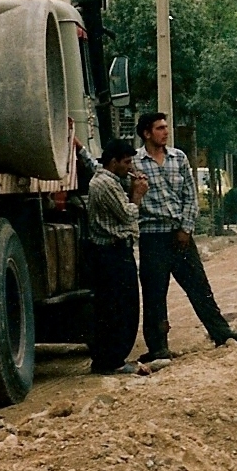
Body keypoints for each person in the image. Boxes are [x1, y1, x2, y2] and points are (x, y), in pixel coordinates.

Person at [133, 111, 237, 361]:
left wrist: (186, 228)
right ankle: (158, 347)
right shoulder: (135, 163)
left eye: (166, 127)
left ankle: (221, 333)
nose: (165, 131)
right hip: (152, 236)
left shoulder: (179, 158)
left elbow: (190, 196)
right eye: (160, 128)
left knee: (199, 286)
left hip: (180, 235)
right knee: (154, 294)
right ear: (146, 133)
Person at [86, 139, 151, 376]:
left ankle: (112, 357)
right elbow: (127, 214)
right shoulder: (105, 185)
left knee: (119, 306)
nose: (129, 166)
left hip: (114, 252)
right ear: (113, 162)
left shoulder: (109, 179)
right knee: (119, 308)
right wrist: (137, 195)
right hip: (111, 253)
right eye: (126, 162)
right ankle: (111, 359)